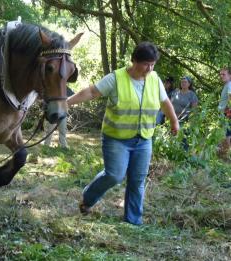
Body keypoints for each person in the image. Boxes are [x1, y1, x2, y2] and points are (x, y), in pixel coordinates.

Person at [67, 42, 179, 225]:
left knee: (137, 180)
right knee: (114, 175)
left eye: (152, 64)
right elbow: (92, 92)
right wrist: (67, 102)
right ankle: (88, 197)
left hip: (143, 139)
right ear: (134, 60)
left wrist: (174, 121)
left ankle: (133, 221)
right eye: (145, 64)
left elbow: (165, 102)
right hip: (116, 139)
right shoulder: (116, 78)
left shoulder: (154, 79)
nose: (149, 68)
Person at [217, 68, 231, 159]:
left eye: (224, 74)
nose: (221, 76)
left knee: (227, 135)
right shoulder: (227, 85)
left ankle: (227, 157)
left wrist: (229, 112)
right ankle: (225, 155)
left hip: (227, 114)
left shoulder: (229, 85)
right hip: (224, 114)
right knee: (226, 134)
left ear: (230, 76)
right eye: (220, 74)